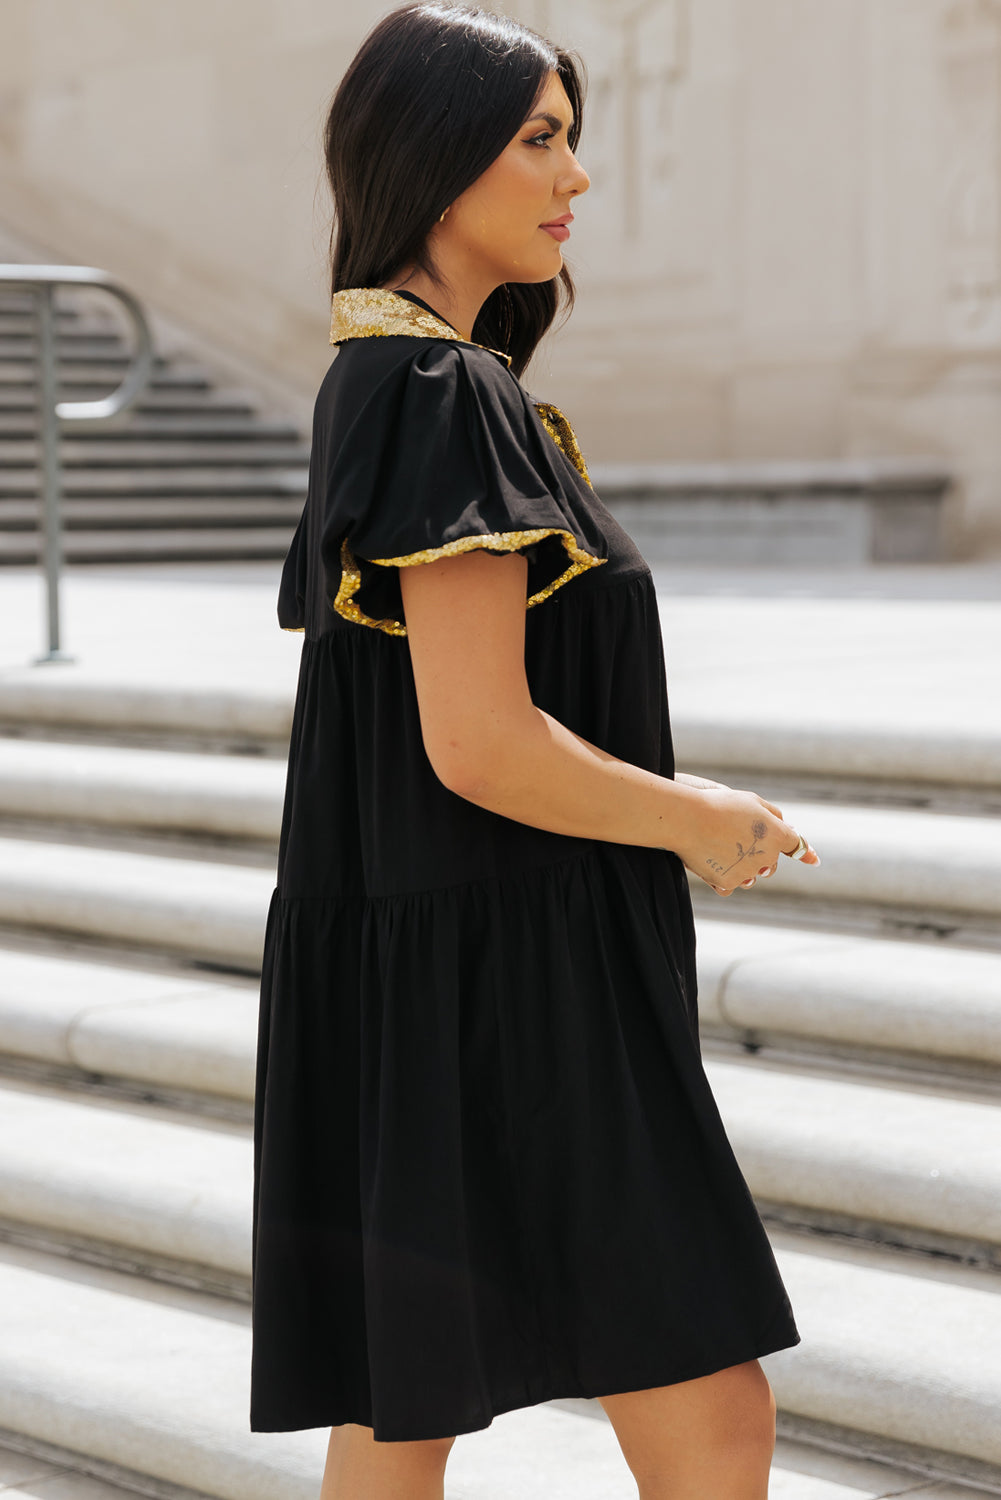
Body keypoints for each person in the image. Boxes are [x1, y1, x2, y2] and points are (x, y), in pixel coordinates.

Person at [251, 5, 820, 1498]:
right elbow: (480, 742)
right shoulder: (438, 393)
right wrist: (692, 816)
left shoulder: (393, 381)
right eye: (540, 140)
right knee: (706, 1401)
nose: (576, 179)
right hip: (518, 969)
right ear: (436, 164)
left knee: (402, 1401)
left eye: (573, 138)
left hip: (441, 959)